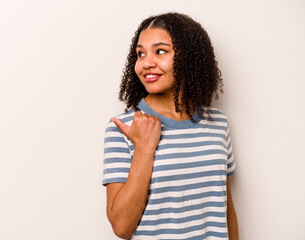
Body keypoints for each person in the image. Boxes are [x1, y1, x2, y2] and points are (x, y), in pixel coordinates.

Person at [102, 12, 238, 240]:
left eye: (161, 51)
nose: (146, 63)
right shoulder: (123, 127)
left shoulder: (218, 124)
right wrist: (144, 148)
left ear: (189, 58)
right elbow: (122, 227)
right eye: (140, 54)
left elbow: (226, 210)